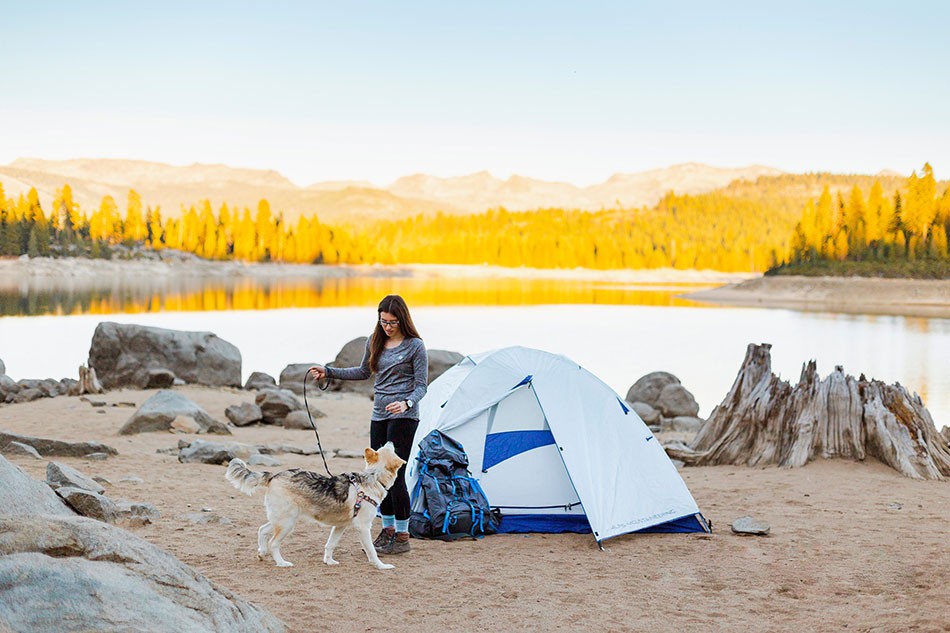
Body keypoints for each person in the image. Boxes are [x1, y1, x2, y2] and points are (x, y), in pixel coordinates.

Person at [309, 294, 427, 555]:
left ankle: (402, 535)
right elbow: (363, 371)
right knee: (376, 475)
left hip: (405, 417)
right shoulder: (375, 340)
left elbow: (421, 385)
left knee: (394, 476)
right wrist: (329, 371)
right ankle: (387, 530)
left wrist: (406, 403)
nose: (387, 326)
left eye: (392, 322)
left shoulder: (415, 346)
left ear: (402, 320)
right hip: (379, 415)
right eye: (383, 321)